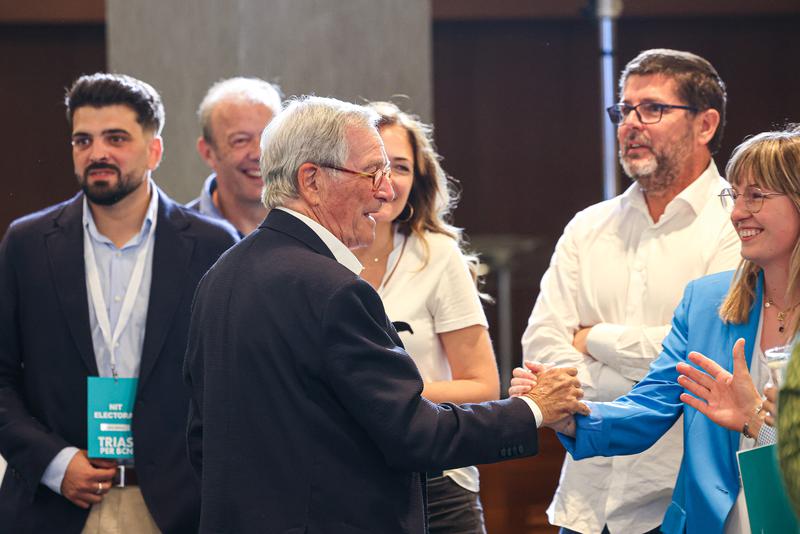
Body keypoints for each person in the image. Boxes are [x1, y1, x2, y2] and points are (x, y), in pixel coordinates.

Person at [183, 95, 589, 534]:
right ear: (312, 180)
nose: (386, 189)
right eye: (372, 171)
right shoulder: (334, 290)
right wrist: (531, 409)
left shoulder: (220, 275)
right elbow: (414, 434)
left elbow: (202, 439)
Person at [517, 127, 800, 534]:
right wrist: (567, 416)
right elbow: (650, 406)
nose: (737, 212)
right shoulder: (706, 302)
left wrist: (758, 422)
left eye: (755, 196)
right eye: (734, 196)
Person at [0, 73, 238, 533]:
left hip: (176, 508)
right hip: (54, 504)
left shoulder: (213, 245)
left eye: (116, 138)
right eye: (82, 140)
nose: (97, 153)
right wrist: (55, 462)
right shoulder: (27, 244)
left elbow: (227, 384)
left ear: (155, 150)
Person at [518, 48, 740, 534]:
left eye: (653, 109)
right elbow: (541, 348)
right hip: (584, 501)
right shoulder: (588, 226)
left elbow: (704, 359)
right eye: (624, 110)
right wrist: (624, 379)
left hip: (678, 502)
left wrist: (593, 339)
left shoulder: (735, 224)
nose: (630, 124)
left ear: (705, 125)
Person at [352, 101, 497, 533]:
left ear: (417, 179)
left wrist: (384, 396)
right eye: (373, 165)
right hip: (344, 481)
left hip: (438, 483)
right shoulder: (313, 257)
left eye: (400, 167)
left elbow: (484, 384)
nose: (387, 182)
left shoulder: (437, 256)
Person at [189, 76, 282, 236]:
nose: (258, 153)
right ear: (208, 152)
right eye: (240, 140)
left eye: (269, 138)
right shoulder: (176, 237)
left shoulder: (319, 229)